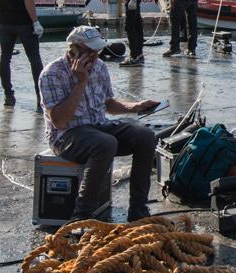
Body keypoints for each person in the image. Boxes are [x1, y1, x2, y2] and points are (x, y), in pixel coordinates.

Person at [40, 25, 161, 221]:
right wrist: (81, 82)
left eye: (97, 51)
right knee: (105, 143)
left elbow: (108, 104)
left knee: (145, 136)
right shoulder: (52, 74)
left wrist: (135, 106)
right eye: (89, 51)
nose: (95, 55)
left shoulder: (99, 67)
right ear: (74, 50)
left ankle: (138, 209)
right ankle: (82, 215)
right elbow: (60, 121)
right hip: (67, 136)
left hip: (97, 127)